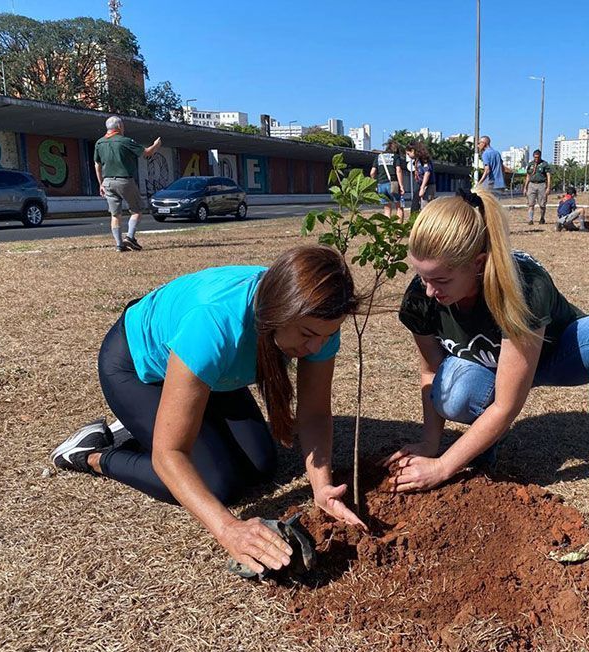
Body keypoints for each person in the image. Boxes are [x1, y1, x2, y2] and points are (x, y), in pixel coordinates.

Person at [50, 245, 366, 574]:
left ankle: (155, 420)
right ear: (278, 314)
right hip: (137, 368)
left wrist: (322, 487)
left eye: (326, 336)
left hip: (212, 377)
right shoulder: (215, 324)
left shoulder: (318, 316)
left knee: (261, 464)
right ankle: (93, 454)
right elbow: (169, 454)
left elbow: (314, 413)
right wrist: (229, 529)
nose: (316, 347)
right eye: (308, 335)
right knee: (217, 484)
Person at [387, 188, 589, 550]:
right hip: (491, 368)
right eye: (422, 277)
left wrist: (443, 468)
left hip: (556, 356)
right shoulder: (423, 297)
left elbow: (506, 405)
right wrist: (431, 443)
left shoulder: (522, 284)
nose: (430, 291)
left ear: (478, 264)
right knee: (451, 389)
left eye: (441, 281)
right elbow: (431, 372)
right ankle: (483, 444)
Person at [94, 115, 161, 253]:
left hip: (107, 182)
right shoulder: (125, 141)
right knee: (136, 210)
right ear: (119, 127)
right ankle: (130, 237)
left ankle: (119, 245)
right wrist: (156, 145)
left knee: (115, 214)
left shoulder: (99, 143)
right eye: (123, 126)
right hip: (124, 180)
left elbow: (97, 165)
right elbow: (147, 153)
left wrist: (101, 183)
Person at [370, 140, 406, 223]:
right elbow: (398, 170)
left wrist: (374, 184)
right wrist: (401, 186)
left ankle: (388, 232)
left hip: (381, 185)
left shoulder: (379, 157)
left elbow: (372, 173)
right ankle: (398, 231)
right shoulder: (395, 157)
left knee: (387, 209)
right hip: (393, 184)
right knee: (399, 207)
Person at [522, 149, 552, 225]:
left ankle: (542, 218)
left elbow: (548, 176)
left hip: (541, 185)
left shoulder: (544, 164)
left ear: (540, 156)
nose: (536, 159)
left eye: (538, 157)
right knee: (530, 204)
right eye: (535, 157)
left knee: (542, 204)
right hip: (532, 185)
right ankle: (530, 219)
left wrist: (548, 187)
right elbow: (528, 176)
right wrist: (525, 187)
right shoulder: (530, 164)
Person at [409, 142, 436, 212]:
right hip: (422, 185)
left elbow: (427, 173)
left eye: (408, 154)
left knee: (426, 207)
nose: (408, 156)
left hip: (428, 186)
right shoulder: (417, 160)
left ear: (412, 151)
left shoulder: (424, 159)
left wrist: (422, 188)